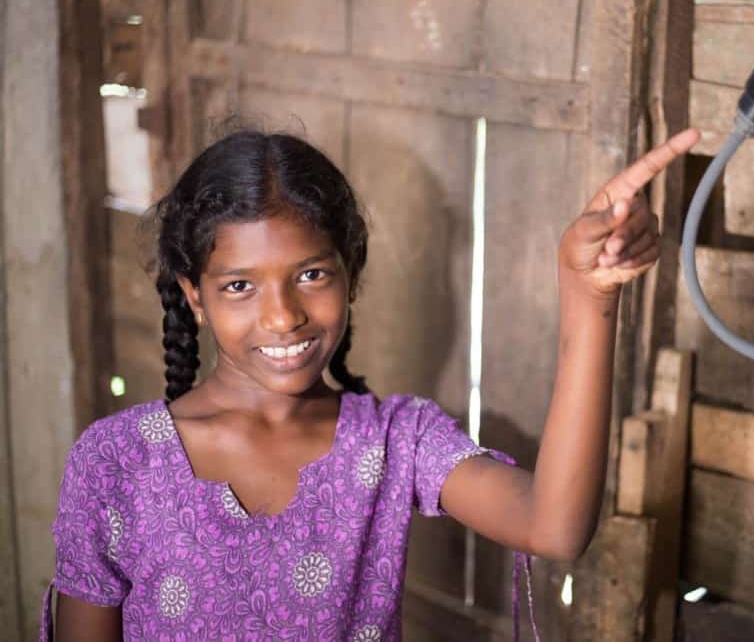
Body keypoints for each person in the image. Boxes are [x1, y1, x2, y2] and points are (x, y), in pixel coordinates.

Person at [41, 126, 700, 641]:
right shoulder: (117, 461)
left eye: (312, 274)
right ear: (194, 295)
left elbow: (553, 527)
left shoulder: (393, 441)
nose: (283, 314)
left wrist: (586, 296)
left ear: (349, 274)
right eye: (240, 285)